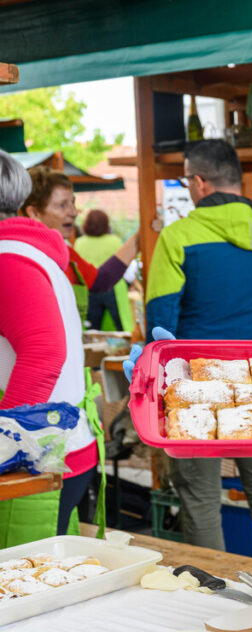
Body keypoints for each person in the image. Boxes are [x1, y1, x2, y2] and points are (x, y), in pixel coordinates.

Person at [142, 139, 252, 590]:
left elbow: (160, 328)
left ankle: (216, 599)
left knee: (200, 501)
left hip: (194, 390)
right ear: (237, 180)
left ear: (198, 181)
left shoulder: (177, 237)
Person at [0, 151, 104, 546]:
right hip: (47, 447)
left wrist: (5, 447)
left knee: (24, 591)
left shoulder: (8, 259)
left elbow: (43, 354)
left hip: (36, 455)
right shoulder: (23, 252)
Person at [21, 167, 139, 322]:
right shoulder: (20, 257)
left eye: (72, 203)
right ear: (34, 212)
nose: (74, 212)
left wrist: (139, 237)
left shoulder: (64, 251)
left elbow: (99, 280)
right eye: (62, 205)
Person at [73, 209, 133, 332]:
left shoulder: (79, 243)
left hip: (90, 289)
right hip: (114, 287)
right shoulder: (114, 241)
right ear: (106, 224)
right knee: (120, 326)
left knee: (92, 328)